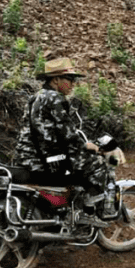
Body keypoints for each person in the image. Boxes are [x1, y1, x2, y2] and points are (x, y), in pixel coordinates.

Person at [14, 57, 109, 225]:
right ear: (56, 80)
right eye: (70, 79)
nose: (73, 84)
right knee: (96, 165)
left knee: (76, 162)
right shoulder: (55, 98)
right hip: (44, 160)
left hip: (25, 157)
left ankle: (65, 207)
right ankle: (88, 213)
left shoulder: (34, 98)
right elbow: (68, 135)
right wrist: (89, 146)